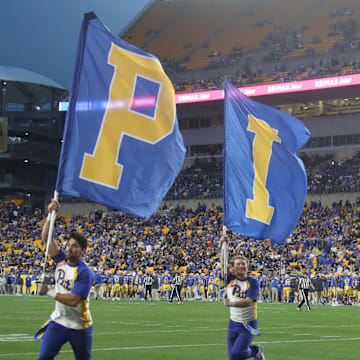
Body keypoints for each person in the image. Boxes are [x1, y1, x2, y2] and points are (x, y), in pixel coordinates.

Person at [36, 199, 95, 360]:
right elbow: (47, 238)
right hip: (58, 320)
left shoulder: (85, 272)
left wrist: (49, 291)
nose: (69, 248)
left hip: (79, 325)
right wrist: (50, 214)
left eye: (75, 246)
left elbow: (74, 300)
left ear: (83, 250)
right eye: (68, 245)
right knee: (44, 357)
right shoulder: (61, 259)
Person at [220, 236, 265, 360]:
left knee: (236, 354)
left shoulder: (253, 281)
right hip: (233, 322)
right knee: (233, 358)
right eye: (238, 264)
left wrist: (232, 303)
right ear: (233, 268)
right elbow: (223, 264)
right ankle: (255, 351)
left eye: (243, 263)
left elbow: (249, 301)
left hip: (248, 323)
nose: (241, 266)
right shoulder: (230, 279)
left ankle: (255, 350)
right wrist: (224, 246)